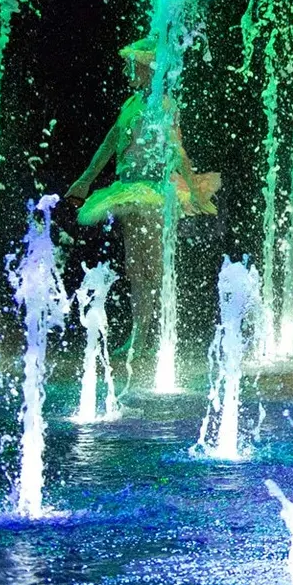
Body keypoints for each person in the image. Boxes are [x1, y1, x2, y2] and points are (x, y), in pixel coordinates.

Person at [64, 39, 221, 356]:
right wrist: (84, 181)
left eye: (130, 64)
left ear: (148, 69)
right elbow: (110, 142)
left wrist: (191, 187)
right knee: (137, 268)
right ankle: (142, 334)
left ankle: (160, 335)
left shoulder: (163, 105)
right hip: (129, 189)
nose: (125, 70)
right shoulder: (131, 103)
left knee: (152, 268)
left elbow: (177, 151)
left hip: (152, 193)